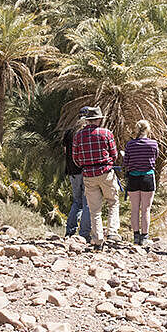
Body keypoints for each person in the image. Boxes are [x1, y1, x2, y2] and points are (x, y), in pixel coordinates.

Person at [72, 106, 120, 249]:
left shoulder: (78, 135)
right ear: (98, 119)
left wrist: (85, 165)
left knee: (94, 210)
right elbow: (114, 154)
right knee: (113, 201)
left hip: (88, 174)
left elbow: (75, 157)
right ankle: (112, 232)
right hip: (105, 172)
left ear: (87, 120)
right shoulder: (106, 133)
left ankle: (98, 239)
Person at [124, 120, 158, 246]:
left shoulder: (130, 144)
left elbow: (126, 162)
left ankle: (136, 236)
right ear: (148, 129)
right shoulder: (153, 144)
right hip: (148, 176)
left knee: (134, 209)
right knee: (146, 209)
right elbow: (155, 158)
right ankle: (145, 236)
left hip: (133, 177)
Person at [63, 113, 90, 242]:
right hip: (86, 171)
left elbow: (64, 151)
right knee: (87, 203)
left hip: (72, 171)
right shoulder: (86, 134)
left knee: (76, 201)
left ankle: (70, 231)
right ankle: (84, 233)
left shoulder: (69, 133)